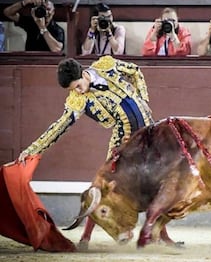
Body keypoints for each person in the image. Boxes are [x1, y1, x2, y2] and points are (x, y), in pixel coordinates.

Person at [17, 55, 153, 249]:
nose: (77, 91)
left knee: (157, 180)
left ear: (83, 74)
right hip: (124, 139)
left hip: (150, 129)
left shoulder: (106, 65)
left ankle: (162, 237)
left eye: (77, 86)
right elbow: (59, 127)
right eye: (73, 90)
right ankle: (86, 237)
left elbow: (135, 70)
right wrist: (32, 149)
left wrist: (143, 98)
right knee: (103, 187)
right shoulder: (77, 100)